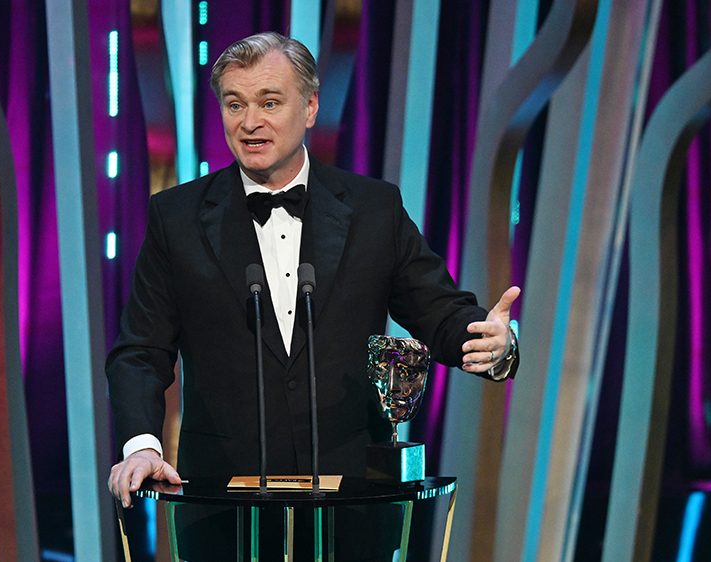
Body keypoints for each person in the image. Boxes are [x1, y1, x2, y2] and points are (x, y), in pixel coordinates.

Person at [106, 31, 520, 560]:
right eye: (235, 104)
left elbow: (437, 310)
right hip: (222, 509)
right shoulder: (177, 218)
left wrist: (493, 342)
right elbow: (140, 350)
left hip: (353, 507)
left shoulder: (375, 210)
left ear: (310, 107)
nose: (249, 122)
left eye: (269, 102)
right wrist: (142, 444)